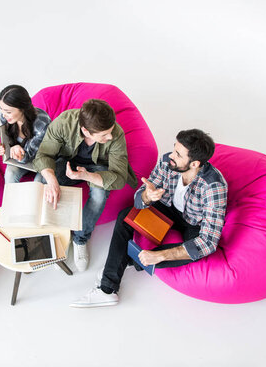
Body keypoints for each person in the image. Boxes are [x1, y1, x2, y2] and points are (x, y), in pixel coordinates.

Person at [70, 129, 228, 307]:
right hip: (166, 206)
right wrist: (147, 196)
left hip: (192, 222)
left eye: (178, 154)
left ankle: (129, 260)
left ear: (194, 164)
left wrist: (158, 256)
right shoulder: (167, 162)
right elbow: (139, 200)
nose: (171, 155)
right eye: (174, 149)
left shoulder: (214, 187)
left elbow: (208, 242)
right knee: (125, 216)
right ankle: (107, 289)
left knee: (196, 252)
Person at [33, 99, 137, 271]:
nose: (110, 137)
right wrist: (52, 181)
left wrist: (88, 176)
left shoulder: (116, 133)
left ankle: (80, 238)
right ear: (86, 130)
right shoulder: (64, 122)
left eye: (110, 132)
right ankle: (59, 235)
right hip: (67, 161)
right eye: (104, 135)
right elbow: (43, 154)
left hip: (98, 167)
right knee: (41, 181)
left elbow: (119, 178)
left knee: (99, 195)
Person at [0, 85, 51, 183]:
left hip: (43, 158)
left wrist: (15, 150)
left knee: (38, 183)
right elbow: (8, 140)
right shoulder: (6, 117)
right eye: (1, 109)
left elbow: (27, 157)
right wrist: (5, 148)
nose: (3, 114)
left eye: (8, 111)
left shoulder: (41, 125)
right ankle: (11, 198)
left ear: (22, 109)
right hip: (23, 158)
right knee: (10, 174)